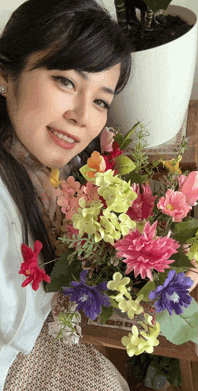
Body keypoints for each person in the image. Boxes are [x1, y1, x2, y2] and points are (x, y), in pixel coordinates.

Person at [0, 0, 132, 389]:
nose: (83, 116)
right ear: (6, 73)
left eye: (100, 100)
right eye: (66, 81)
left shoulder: (49, 169)